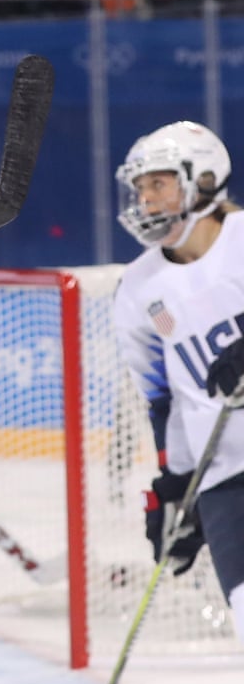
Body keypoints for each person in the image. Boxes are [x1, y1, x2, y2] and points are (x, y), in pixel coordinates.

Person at [112, 120, 244, 640]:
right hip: (223, 480)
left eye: (159, 184)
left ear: (204, 180)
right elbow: (162, 400)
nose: (146, 200)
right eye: (140, 188)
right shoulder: (138, 289)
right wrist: (173, 486)